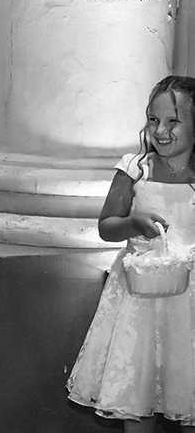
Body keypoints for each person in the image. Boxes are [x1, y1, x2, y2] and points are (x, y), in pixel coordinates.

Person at [67, 75, 195, 433]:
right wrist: (134, 223)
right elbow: (107, 226)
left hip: (190, 303)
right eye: (153, 120)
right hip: (136, 303)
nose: (161, 130)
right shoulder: (135, 169)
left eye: (174, 121)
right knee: (133, 398)